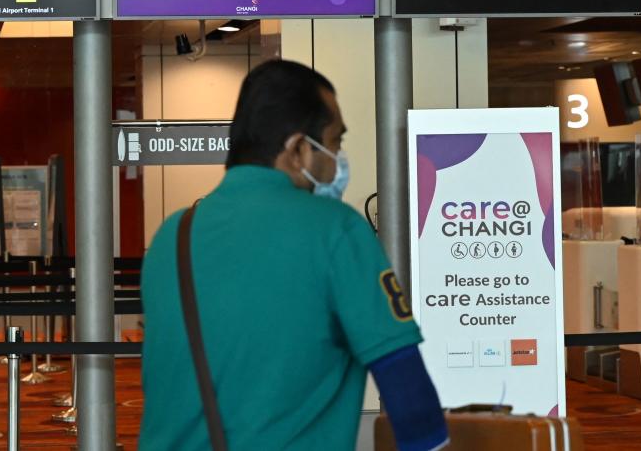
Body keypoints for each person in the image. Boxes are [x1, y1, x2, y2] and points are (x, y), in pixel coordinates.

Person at [140, 60, 448, 450]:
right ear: (299, 149)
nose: (337, 158)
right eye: (335, 141)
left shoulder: (172, 236)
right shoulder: (335, 228)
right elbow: (405, 385)